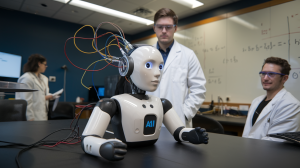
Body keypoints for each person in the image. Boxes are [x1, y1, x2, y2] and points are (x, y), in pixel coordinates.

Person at [147, 8, 206, 127]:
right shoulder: (145, 54)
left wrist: (184, 114)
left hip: (178, 121)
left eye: (168, 27)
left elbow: (199, 89)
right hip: (149, 119)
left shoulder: (188, 55)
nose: (164, 31)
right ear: (154, 28)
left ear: (175, 28)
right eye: (160, 27)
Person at [242, 57, 300, 142]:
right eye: (263, 73)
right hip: (248, 151)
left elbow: (275, 141)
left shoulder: (291, 105)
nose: (265, 78)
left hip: (270, 154)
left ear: (284, 78)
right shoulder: (256, 101)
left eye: (271, 74)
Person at [16, 54, 54, 121]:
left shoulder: (44, 78)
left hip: (42, 114)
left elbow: (41, 94)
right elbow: (26, 101)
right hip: (31, 117)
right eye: (45, 64)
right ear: (39, 63)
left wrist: (50, 96)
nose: (46, 66)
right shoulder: (26, 78)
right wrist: (30, 118)